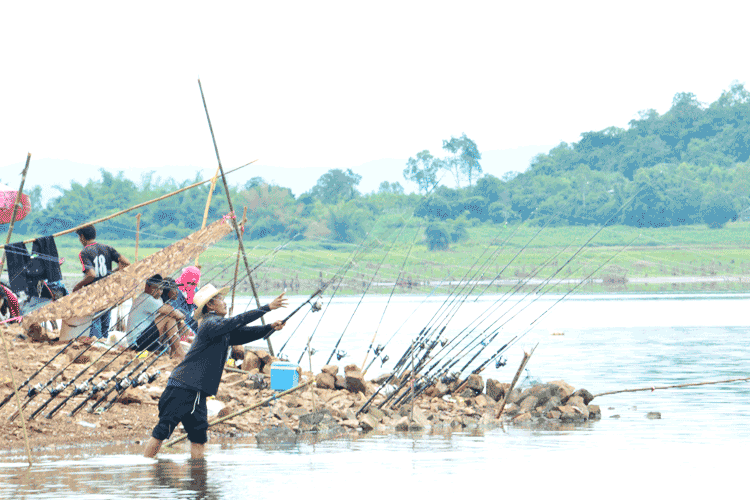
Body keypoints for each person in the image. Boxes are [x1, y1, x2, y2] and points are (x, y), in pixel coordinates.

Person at [143, 285, 287, 459]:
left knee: (199, 437)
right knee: (162, 430)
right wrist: (267, 308)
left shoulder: (221, 329)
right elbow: (237, 321)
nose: (225, 303)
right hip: (182, 387)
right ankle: (146, 468)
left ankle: (197, 479)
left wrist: (269, 327)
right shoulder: (210, 324)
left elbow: (244, 333)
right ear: (210, 306)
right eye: (221, 299)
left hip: (197, 392)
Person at [73, 225, 130, 338]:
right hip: (108, 291)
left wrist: (78, 286)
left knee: (95, 322)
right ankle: (104, 342)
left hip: (94, 293)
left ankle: (96, 344)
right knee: (105, 320)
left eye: (79, 237)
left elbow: (91, 274)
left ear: (82, 237)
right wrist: (113, 273)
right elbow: (126, 263)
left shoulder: (84, 252)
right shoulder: (107, 248)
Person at [126, 274, 189, 359]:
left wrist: (181, 321)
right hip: (137, 343)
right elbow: (170, 312)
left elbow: (171, 312)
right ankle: (178, 352)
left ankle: (175, 351)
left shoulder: (155, 299)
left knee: (170, 317)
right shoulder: (147, 298)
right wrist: (182, 319)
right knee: (168, 317)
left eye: (161, 289)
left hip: (142, 340)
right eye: (155, 288)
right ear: (147, 287)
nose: (159, 292)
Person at [171, 266, 201, 333]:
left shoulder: (194, 290)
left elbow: (199, 305)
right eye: (189, 282)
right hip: (177, 323)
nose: (191, 285)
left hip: (189, 321)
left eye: (194, 283)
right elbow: (174, 310)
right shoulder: (173, 290)